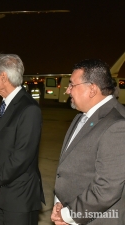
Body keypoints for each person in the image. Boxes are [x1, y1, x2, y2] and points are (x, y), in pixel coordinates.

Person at [51, 59, 125, 225]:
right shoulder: (81, 116)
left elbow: (107, 189)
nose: (67, 90)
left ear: (92, 89)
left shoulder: (117, 125)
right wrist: (60, 203)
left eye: (72, 85)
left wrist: (68, 214)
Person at [0, 54, 45, 225]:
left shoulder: (29, 109)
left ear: (3, 77)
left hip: (19, 198)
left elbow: (22, 157)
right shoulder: (4, 105)